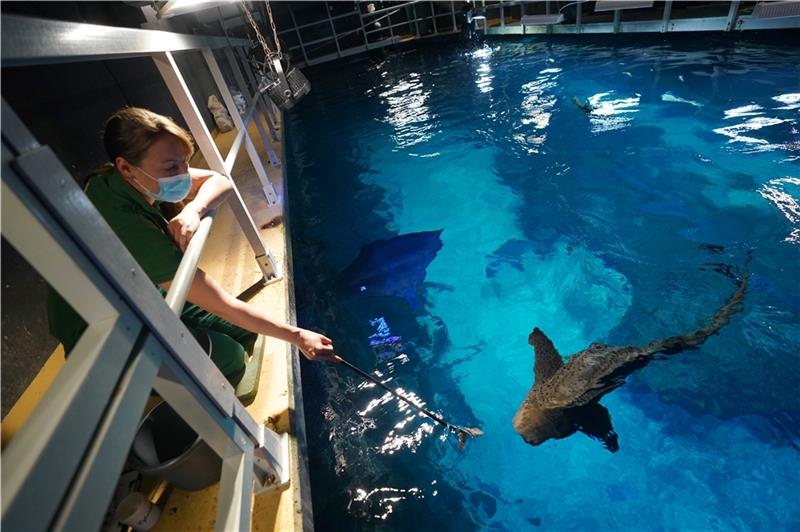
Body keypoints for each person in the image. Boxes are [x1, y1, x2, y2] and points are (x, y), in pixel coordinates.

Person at [47, 107, 335, 385]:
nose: (183, 173)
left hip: (140, 295)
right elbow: (222, 304)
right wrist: (298, 336)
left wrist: (193, 209)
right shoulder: (122, 222)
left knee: (244, 333)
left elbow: (218, 180)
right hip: (106, 330)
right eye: (172, 166)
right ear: (125, 166)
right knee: (231, 360)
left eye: (185, 160)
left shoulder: (128, 179)